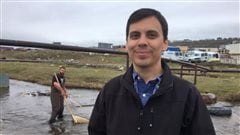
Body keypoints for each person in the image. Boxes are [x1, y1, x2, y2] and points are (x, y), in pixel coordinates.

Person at [88, 8, 216, 135]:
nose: (142, 42)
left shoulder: (188, 94)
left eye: (151, 35)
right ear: (127, 43)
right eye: (135, 35)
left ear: (165, 43)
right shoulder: (110, 91)